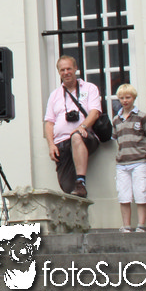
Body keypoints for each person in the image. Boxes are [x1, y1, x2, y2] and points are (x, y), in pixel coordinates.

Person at [43, 55, 103, 198]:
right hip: (62, 143)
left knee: (76, 136)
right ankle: (77, 191)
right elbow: (49, 122)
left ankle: (81, 181)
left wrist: (82, 126)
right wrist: (51, 145)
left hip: (85, 136)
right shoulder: (55, 95)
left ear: (75, 68)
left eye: (69, 68)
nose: (66, 72)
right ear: (59, 72)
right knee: (67, 189)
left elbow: (95, 112)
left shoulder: (89, 88)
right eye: (62, 70)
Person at [112, 84, 146, 233]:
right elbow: (117, 139)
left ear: (134, 98)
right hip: (122, 163)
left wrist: (145, 153)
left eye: (128, 97)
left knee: (141, 192)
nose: (125, 101)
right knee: (123, 195)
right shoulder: (116, 120)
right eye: (122, 98)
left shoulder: (141, 116)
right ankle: (126, 225)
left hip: (139, 162)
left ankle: (141, 224)